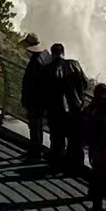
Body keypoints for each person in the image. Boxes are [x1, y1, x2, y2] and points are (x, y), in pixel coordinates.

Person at [44, 43, 88, 171]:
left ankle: (57, 164)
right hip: (75, 108)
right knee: (75, 139)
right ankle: (75, 165)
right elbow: (84, 84)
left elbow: (45, 90)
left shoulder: (48, 69)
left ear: (52, 54)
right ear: (63, 53)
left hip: (55, 110)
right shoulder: (74, 64)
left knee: (57, 138)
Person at [20, 34, 52, 159]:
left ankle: (34, 152)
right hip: (43, 99)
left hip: (35, 100)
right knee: (38, 126)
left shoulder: (35, 63)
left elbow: (32, 84)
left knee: (35, 127)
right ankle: (35, 150)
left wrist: (27, 99)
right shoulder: (45, 55)